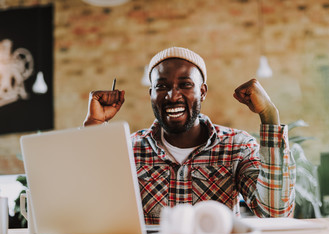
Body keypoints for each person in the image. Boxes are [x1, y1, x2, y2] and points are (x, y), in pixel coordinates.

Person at [83, 47, 296, 224]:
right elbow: (92, 209)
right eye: (161, 86)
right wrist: (95, 125)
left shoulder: (236, 146)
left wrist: (269, 115)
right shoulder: (129, 149)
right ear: (151, 95)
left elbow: (274, 214)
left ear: (202, 91)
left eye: (185, 85)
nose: (172, 95)